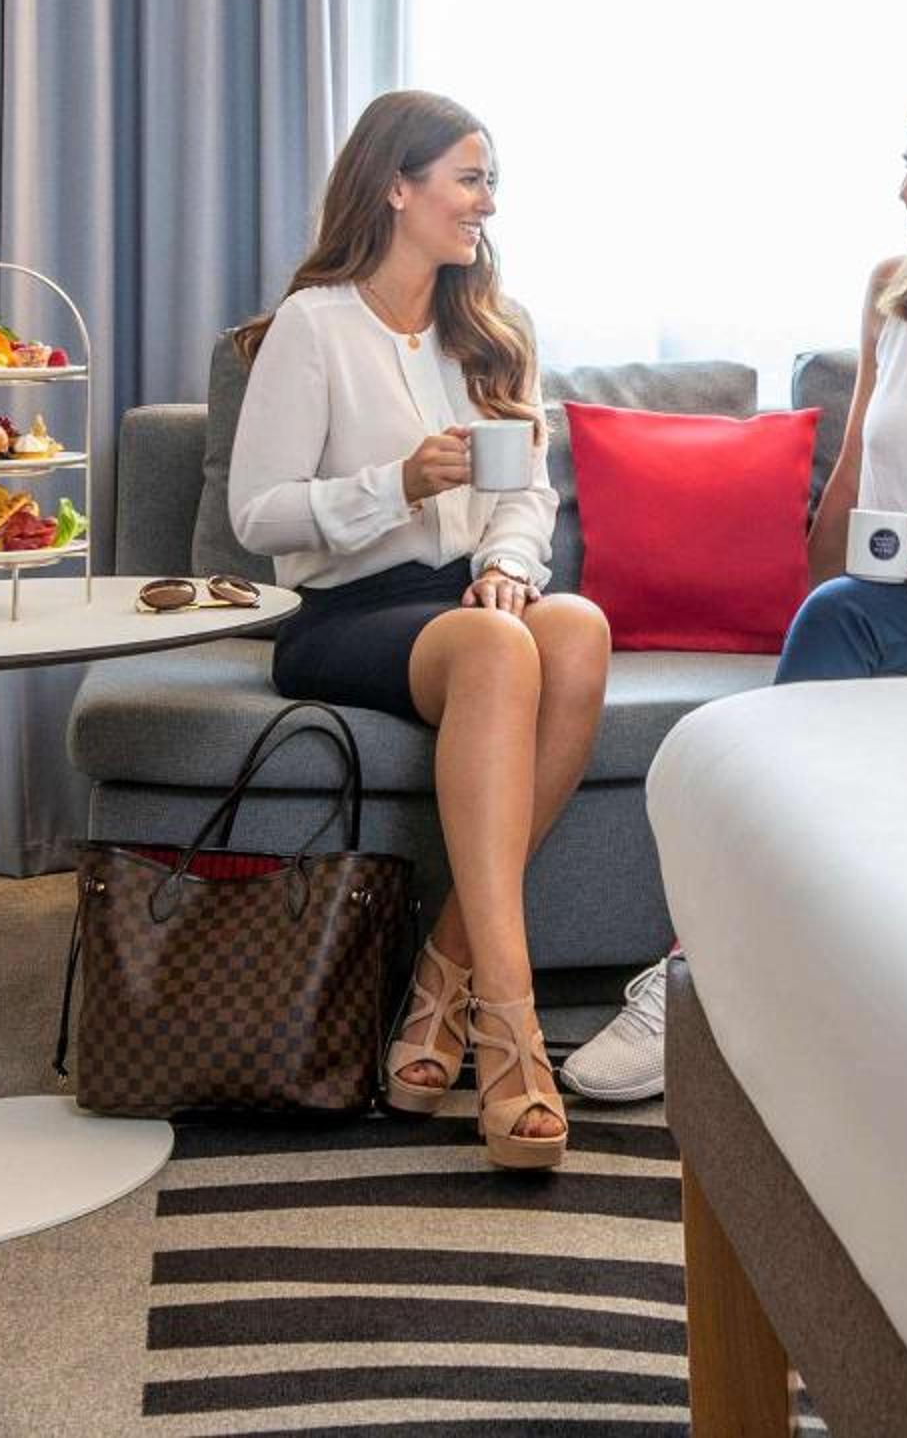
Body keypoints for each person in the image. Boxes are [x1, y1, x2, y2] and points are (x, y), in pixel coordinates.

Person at [561, 83, 907, 1103]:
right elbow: (855, 468)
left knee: (837, 638)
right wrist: (803, 603)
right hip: (903, 605)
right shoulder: (891, 294)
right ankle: (781, 979)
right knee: (830, 638)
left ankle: (699, 973)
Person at [230, 90, 611, 1169]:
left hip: (466, 596)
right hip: (345, 610)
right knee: (498, 645)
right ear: (396, 187)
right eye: (469, 179)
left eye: (490, 183)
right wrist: (395, 483)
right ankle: (511, 1030)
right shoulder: (315, 327)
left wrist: (506, 567)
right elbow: (257, 517)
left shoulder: (492, 329)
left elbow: (527, 493)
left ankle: (442, 981)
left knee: (575, 628)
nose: (486, 203)